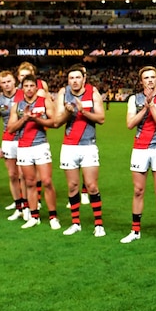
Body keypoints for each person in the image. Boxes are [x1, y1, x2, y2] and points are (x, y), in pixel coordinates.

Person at [54, 64, 106, 237]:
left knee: (91, 186)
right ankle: (75, 223)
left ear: (84, 79)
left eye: (77, 77)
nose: (74, 81)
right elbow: (56, 122)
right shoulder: (63, 93)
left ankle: (99, 224)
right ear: (67, 80)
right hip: (69, 146)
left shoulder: (93, 92)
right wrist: (69, 113)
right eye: (71, 78)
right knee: (73, 186)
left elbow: (101, 118)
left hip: (88, 145)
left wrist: (83, 111)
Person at [124, 66, 156, 244]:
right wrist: (144, 109)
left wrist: (151, 105)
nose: (150, 80)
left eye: (153, 77)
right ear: (141, 81)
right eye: (146, 77)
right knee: (138, 191)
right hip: (139, 149)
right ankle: (135, 230)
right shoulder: (133, 99)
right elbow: (130, 124)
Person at [7, 74, 60, 230]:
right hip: (23, 147)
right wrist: (24, 119)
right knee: (29, 182)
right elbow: (10, 128)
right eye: (26, 86)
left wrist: (37, 120)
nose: (29, 89)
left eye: (32, 86)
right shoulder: (17, 106)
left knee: (47, 181)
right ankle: (33, 215)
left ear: (37, 88)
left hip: (40, 145)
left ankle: (53, 216)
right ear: (22, 88)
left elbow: (54, 122)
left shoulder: (44, 102)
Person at [0, 70, 28, 220]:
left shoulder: (24, 94)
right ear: (0, 84)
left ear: (14, 81)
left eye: (9, 81)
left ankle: (27, 206)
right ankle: (18, 207)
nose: (7, 85)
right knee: (12, 175)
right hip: (8, 140)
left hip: (24, 138)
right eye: (3, 82)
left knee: (24, 175)